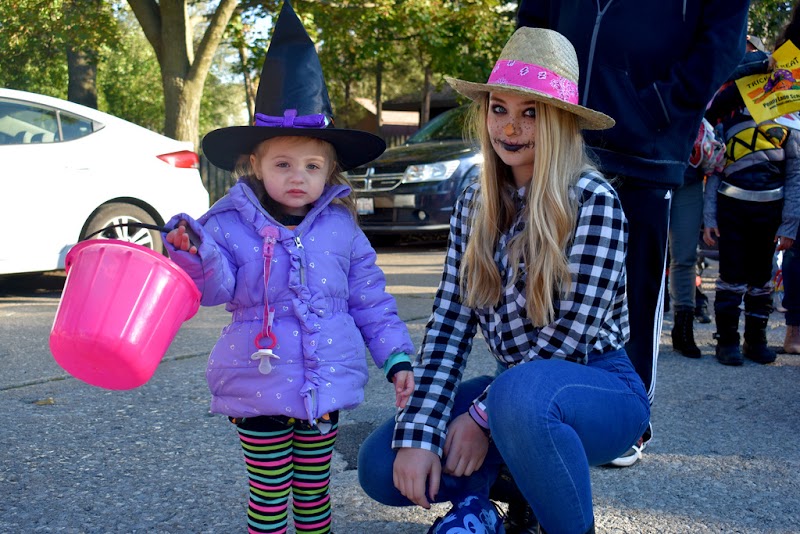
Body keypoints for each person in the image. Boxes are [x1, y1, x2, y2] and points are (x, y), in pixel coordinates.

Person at [357, 28, 650, 534]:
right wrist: (422, 433)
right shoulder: (475, 196)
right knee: (382, 466)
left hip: (596, 383)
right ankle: (494, 502)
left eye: (530, 112)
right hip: (515, 392)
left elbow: (571, 337)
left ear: (559, 120)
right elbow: (450, 322)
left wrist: (479, 418)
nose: (510, 127)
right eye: (499, 108)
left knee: (519, 398)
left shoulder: (592, 199)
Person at [162, 3, 415, 533]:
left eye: (312, 166)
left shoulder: (343, 228)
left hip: (325, 384)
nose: (297, 176)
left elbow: (370, 301)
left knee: (315, 490)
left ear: (330, 171)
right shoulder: (228, 225)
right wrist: (195, 251)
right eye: (282, 164)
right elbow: (215, 289)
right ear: (254, 164)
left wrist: (396, 359)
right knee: (271, 492)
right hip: (258, 384)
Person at [516, 0, 750, 467]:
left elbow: (723, 42)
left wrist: (659, 103)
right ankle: (549, 409)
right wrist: (532, 102)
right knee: (549, 280)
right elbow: (533, 22)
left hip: (648, 146)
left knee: (637, 293)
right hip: (562, 136)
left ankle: (629, 423)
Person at [703, 35, 800, 366]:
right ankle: (726, 340)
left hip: (770, 210)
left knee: (761, 279)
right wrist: (710, 218)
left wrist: (790, 223)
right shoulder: (725, 120)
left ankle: (755, 340)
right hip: (732, 209)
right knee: (731, 276)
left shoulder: (790, 123)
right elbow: (715, 170)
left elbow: (794, 177)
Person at [670, 118, 726, 358]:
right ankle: (637, 327)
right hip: (649, 172)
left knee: (685, 257)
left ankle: (683, 328)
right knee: (642, 255)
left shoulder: (697, 84)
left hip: (687, 179)